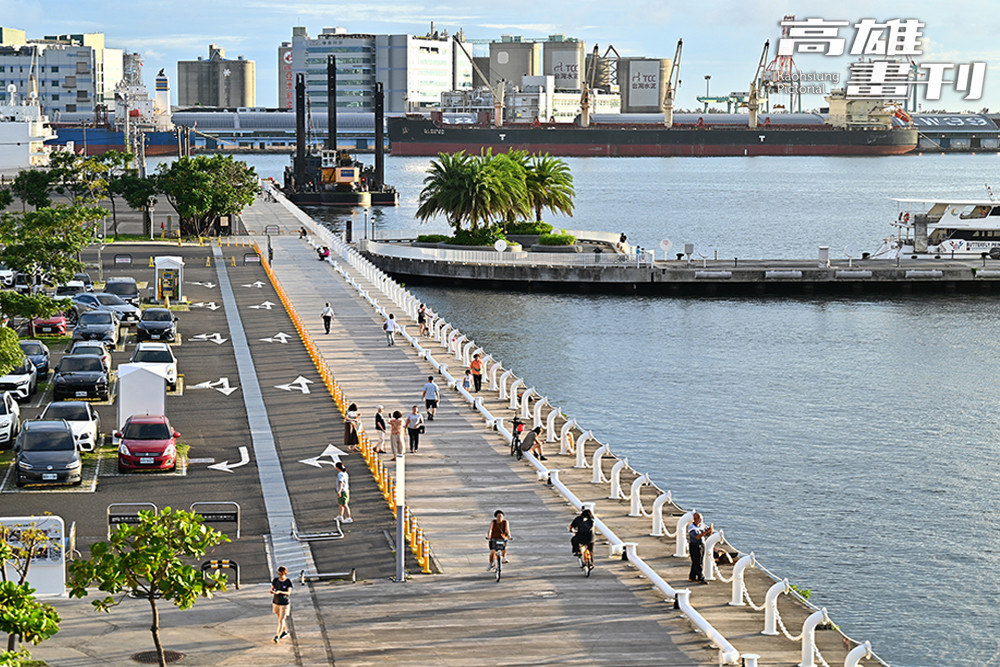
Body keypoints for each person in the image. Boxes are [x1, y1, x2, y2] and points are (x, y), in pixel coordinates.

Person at [688, 512, 714, 584]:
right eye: (699, 519)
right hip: (695, 545)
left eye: (701, 519)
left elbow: (707, 534)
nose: (701, 520)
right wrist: (706, 532)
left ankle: (692, 576)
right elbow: (697, 536)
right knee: (698, 562)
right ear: (695, 519)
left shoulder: (702, 525)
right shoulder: (692, 528)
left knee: (696, 562)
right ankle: (700, 577)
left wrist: (709, 531)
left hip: (701, 544)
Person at [270, 566, 292, 643]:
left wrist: (280, 592)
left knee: (282, 619)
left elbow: (289, 592)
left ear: (285, 573)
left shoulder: (288, 581)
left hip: (284, 603)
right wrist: (272, 591)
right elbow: (272, 588)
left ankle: (277, 636)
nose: (280, 576)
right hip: (276, 602)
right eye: (279, 574)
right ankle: (284, 631)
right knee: (280, 619)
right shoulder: (275, 580)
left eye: (281, 574)